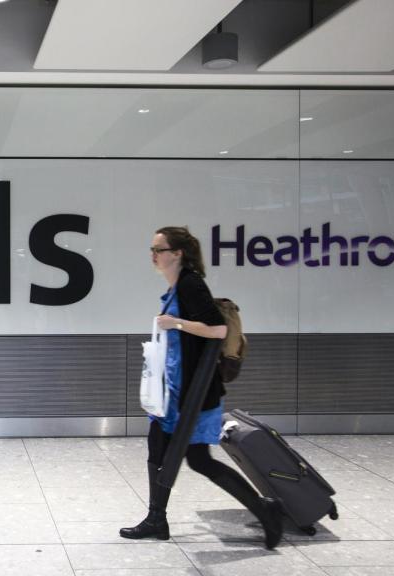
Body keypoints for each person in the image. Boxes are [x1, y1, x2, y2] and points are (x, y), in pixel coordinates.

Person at [120, 226, 283, 549]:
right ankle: (157, 519)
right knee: (158, 450)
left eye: (159, 249)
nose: (153, 255)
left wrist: (176, 322)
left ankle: (265, 510)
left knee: (199, 460)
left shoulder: (191, 284)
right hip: (174, 391)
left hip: (192, 394)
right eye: (152, 249)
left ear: (177, 253)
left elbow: (219, 329)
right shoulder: (178, 286)